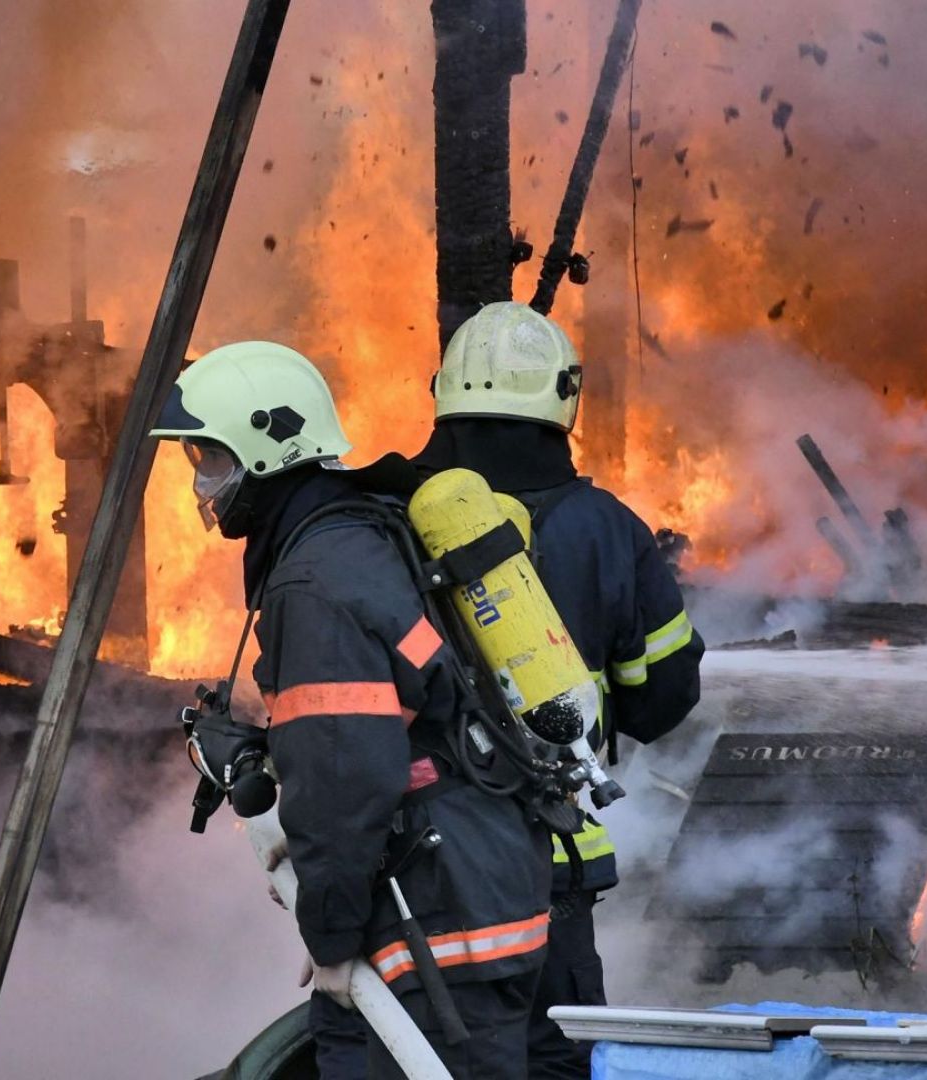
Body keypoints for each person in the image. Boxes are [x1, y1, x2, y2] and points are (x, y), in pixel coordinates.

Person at [152, 342, 553, 1080]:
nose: (202, 485)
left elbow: (346, 775)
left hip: (435, 928)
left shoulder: (313, 582)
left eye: (209, 459)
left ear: (265, 449)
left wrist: (332, 938)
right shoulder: (365, 531)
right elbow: (390, 719)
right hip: (477, 887)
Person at [416, 302, 705, 1079]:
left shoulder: (395, 517)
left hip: (420, 862)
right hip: (551, 857)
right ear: (564, 399)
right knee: (552, 1058)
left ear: (443, 391)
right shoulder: (609, 530)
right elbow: (663, 699)